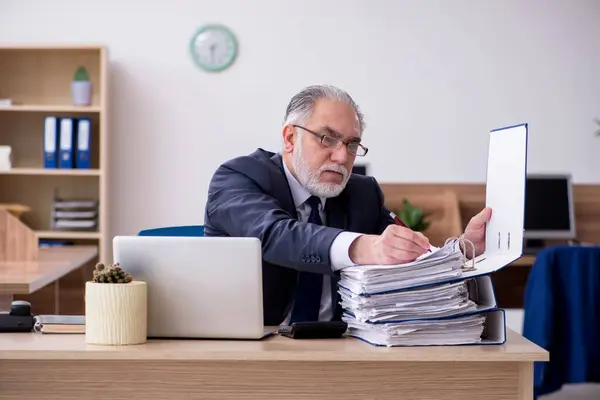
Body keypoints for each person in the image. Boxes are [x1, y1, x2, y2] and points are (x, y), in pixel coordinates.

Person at [204, 85, 492, 326]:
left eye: (352, 144)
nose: (342, 157)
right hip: (253, 350)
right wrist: (362, 247)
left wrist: (460, 251)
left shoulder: (362, 193)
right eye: (327, 139)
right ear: (290, 138)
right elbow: (274, 235)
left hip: (343, 348)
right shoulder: (239, 177)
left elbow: (407, 254)